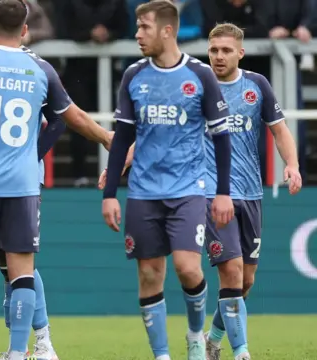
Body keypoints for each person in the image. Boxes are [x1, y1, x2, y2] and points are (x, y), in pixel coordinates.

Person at [0, 1, 115, 359]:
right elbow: (73, 117)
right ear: (25, 30)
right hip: (22, 185)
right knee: (22, 269)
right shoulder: (42, 69)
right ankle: (18, 351)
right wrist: (107, 138)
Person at [101, 1, 235, 360]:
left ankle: (194, 335)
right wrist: (111, 193)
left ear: (167, 31)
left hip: (189, 189)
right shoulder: (133, 76)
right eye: (137, 26)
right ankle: (161, 355)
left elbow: (222, 137)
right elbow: (122, 138)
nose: (137, 34)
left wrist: (223, 192)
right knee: (149, 274)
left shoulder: (200, 75)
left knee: (188, 268)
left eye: (144, 27)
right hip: (144, 192)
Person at [203, 23, 302, 360]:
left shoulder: (256, 85)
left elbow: (280, 130)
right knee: (230, 272)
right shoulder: (197, 86)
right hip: (214, 195)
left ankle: (212, 338)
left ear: (240, 53)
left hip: (251, 193)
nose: (218, 56)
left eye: (226, 50)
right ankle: (242, 352)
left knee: (245, 281)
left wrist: (292, 164)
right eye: (214, 49)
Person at [0, 1, 66, 359]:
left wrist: (30, 156)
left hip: (20, 178)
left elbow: (60, 118)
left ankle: (42, 342)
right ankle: (26, 343)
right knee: (7, 262)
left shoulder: (29, 66)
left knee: (19, 260)